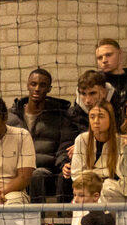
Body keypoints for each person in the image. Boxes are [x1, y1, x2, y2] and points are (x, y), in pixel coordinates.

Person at [10, 68, 78, 201]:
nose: (37, 89)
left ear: (49, 89)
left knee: (37, 175)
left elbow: (65, 146)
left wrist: (64, 164)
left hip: (47, 171)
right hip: (16, 170)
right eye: (33, 84)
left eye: (42, 85)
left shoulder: (60, 117)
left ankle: (39, 215)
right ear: (27, 85)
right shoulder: (12, 117)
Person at [95, 38, 127, 116]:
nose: (104, 60)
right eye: (100, 58)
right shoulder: (95, 81)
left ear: (120, 53)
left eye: (108, 55)